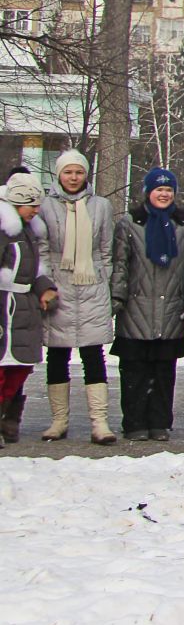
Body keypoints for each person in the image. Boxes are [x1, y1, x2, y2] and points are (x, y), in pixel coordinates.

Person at [110, 167, 184, 441]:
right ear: (148, 192)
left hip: (171, 310)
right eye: (158, 189)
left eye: (168, 190)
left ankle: (160, 423)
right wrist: (116, 299)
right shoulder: (129, 224)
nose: (163, 194)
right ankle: (134, 423)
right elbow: (120, 266)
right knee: (135, 371)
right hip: (135, 310)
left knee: (164, 373)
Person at [35, 150, 117, 444]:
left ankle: (100, 422)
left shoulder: (101, 206)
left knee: (93, 355)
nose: (73, 177)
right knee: (57, 355)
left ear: (86, 175)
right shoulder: (46, 207)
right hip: (59, 287)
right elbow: (42, 249)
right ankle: (58, 421)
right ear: (58, 174)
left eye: (78, 172)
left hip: (92, 287)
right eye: (68, 172)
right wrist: (46, 284)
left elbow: (107, 250)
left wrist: (102, 279)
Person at [0, 174, 56, 446]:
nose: (36, 210)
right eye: (31, 204)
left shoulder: (30, 231)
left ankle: (7, 419)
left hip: (25, 307)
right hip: (4, 306)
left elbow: (35, 269)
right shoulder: (4, 230)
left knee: (19, 368)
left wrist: (44, 287)